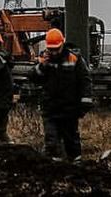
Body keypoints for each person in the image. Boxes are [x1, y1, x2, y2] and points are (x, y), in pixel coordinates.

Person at [32, 27, 94, 161]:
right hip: (51, 108)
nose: (54, 52)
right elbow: (34, 77)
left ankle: (75, 164)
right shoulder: (45, 59)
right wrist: (43, 65)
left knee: (71, 139)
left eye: (56, 49)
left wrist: (85, 101)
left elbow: (85, 79)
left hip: (69, 108)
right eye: (51, 49)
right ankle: (54, 168)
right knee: (51, 140)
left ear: (62, 44)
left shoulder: (74, 58)